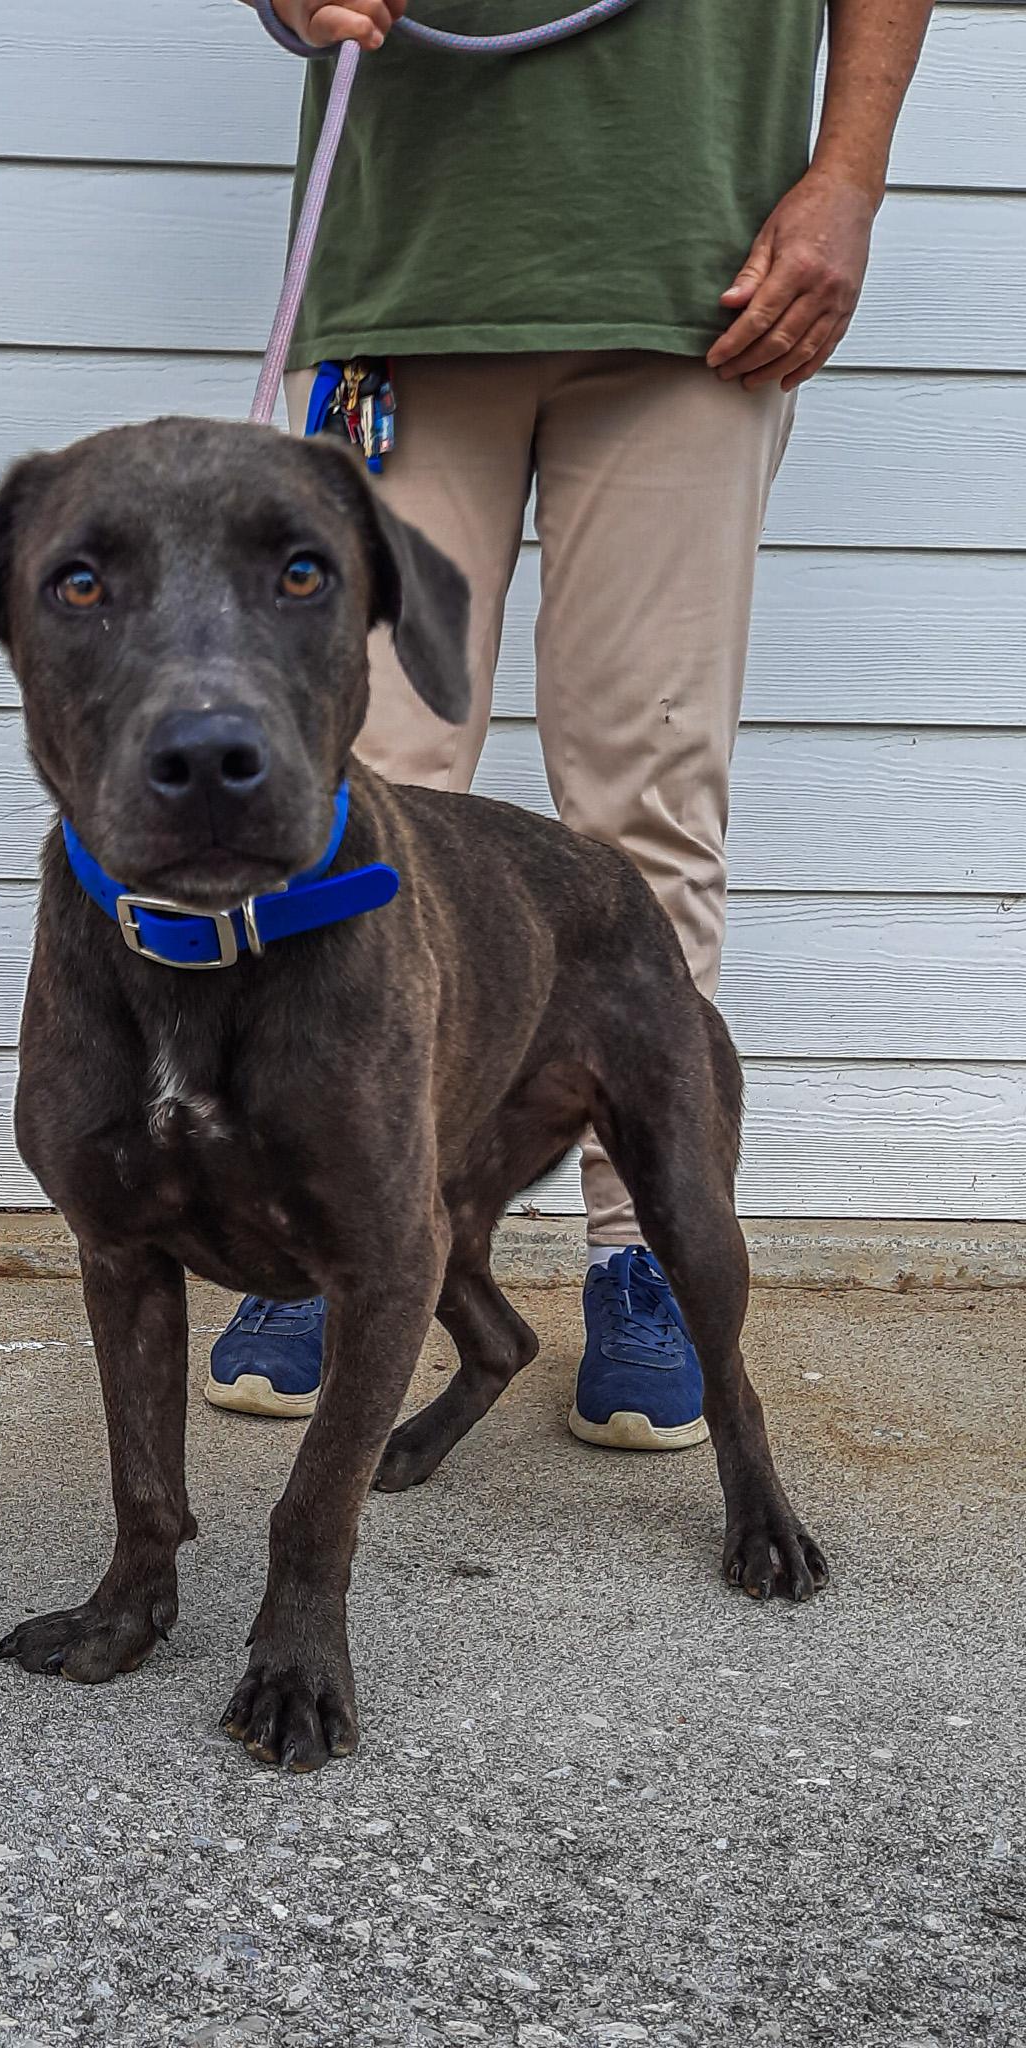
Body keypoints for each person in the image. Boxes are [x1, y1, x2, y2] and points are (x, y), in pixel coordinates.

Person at [208, 0, 934, 1442]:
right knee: (363, 794)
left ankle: (642, 1254)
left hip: (700, 279)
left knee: (647, 797)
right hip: (411, 277)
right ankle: (330, 1219)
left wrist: (847, 177)